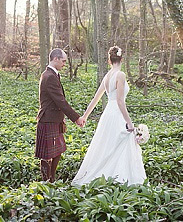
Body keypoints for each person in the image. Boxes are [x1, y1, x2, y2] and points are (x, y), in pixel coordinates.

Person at [72, 46, 146, 186]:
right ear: (122, 59)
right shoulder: (121, 75)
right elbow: (119, 101)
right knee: (119, 144)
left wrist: (85, 116)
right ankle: (119, 178)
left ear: (109, 61)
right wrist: (129, 122)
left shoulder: (107, 76)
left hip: (107, 114)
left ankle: (106, 177)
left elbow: (96, 98)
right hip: (117, 114)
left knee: (107, 145)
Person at [35, 48, 85, 182]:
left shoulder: (52, 74)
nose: (64, 64)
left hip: (54, 119)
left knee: (57, 151)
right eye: (63, 61)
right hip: (48, 120)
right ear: (55, 59)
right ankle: (47, 181)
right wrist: (76, 118)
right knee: (46, 155)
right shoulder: (49, 76)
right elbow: (60, 101)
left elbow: (59, 101)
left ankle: (52, 179)